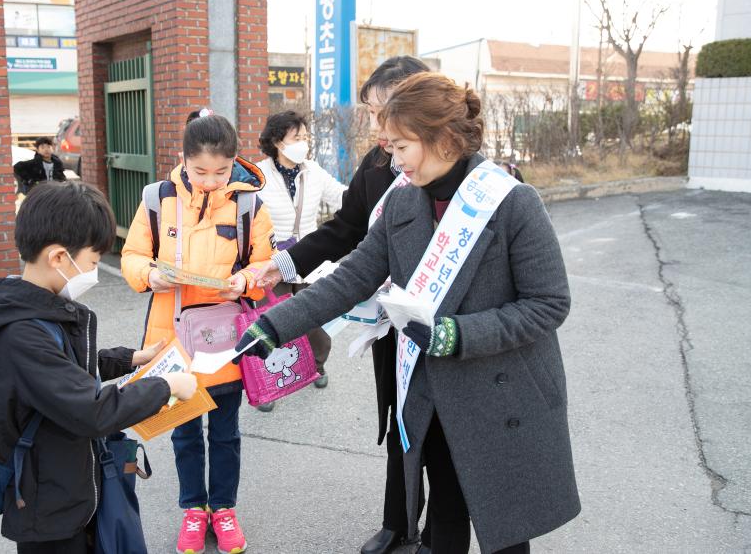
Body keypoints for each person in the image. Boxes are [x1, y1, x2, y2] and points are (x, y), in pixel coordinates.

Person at [238, 73, 580, 554]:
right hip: (435, 392)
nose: (393, 160)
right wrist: (273, 325)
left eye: (401, 147)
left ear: (443, 138)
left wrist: (455, 336)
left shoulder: (510, 203)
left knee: (505, 534)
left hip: (502, 393)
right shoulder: (401, 201)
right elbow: (353, 276)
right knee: (445, 514)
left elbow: (548, 304)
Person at [252, 56, 432, 553]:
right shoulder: (378, 168)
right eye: (372, 115)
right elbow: (347, 232)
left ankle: (439, 527)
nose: (376, 128)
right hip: (392, 323)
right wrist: (285, 268)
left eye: (381, 113)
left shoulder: (461, 177)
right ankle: (398, 521)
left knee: (443, 434)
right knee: (399, 423)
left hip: (445, 328)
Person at [0, 181, 198, 553]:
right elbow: (91, 410)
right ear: (59, 257)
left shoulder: (39, 309)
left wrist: (130, 359)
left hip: (67, 490)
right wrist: (166, 386)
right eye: (92, 262)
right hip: (50, 513)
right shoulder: (23, 334)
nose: (92, 271)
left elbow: (67, 371)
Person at [121, 111, 275, 554]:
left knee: (225, 431)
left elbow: (263, 268)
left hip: (226, 339)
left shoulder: (249, 205)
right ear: (183, 160)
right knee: (184, 430)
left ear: (234, 163)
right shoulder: (157, 198)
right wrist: (150, 274)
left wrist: (244, 282)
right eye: (199, 170)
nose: (210, 180)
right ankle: (194, 509)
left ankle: (223, 509)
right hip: (171, 338)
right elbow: (132, 255)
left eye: (221, 171)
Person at [253, 110, 345, 407]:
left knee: (313, 315)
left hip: (309, 259)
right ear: (279, 142)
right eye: (297, 137)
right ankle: (268, 378)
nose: (303, 143)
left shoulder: (313, 171)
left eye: (306, 137)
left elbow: (342, 198)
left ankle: (316, 364)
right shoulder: (259, 175)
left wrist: (371, 200)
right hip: (272, 262)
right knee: (272, 318)